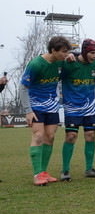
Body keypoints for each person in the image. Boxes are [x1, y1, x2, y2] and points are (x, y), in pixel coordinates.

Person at [20, 36, 72, 185]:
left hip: (52, 106)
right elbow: (23, 87)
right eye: (63, 51)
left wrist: (69, 59)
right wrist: (28, 110)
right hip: (36, 106)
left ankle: (43, 172)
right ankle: (37, 175)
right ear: (53, 50)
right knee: (38, 136)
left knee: (50, 137)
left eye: (67, 51)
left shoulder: (60, 63)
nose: (65, 54)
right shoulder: (36, 64)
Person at [60, 38, 95, 180]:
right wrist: (68, 55)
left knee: (90, 135)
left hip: (90, 107)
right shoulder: (69, 63)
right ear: (84, 52)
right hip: (72, 107)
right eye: (92, 53)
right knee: (71, 136)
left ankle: (89, 169)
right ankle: (65, 170)